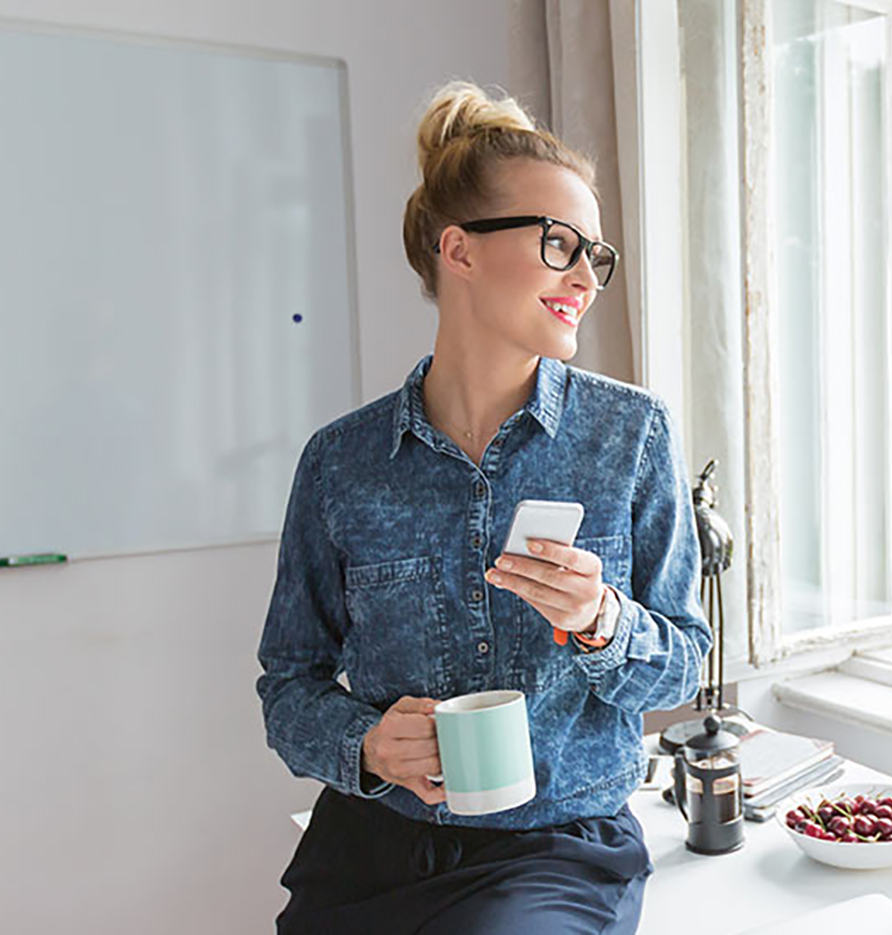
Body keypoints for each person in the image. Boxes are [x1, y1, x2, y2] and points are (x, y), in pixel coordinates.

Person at [256, 80, 710, 934]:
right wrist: (364, 745)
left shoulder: (630, 434)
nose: (586, 275)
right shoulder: (339, 464)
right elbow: (288, 686)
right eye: (559, 244)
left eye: (594, 254)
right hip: (368, 850)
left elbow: (684, 663)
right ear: (457, 250)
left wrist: (603, 619)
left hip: (557, 851)